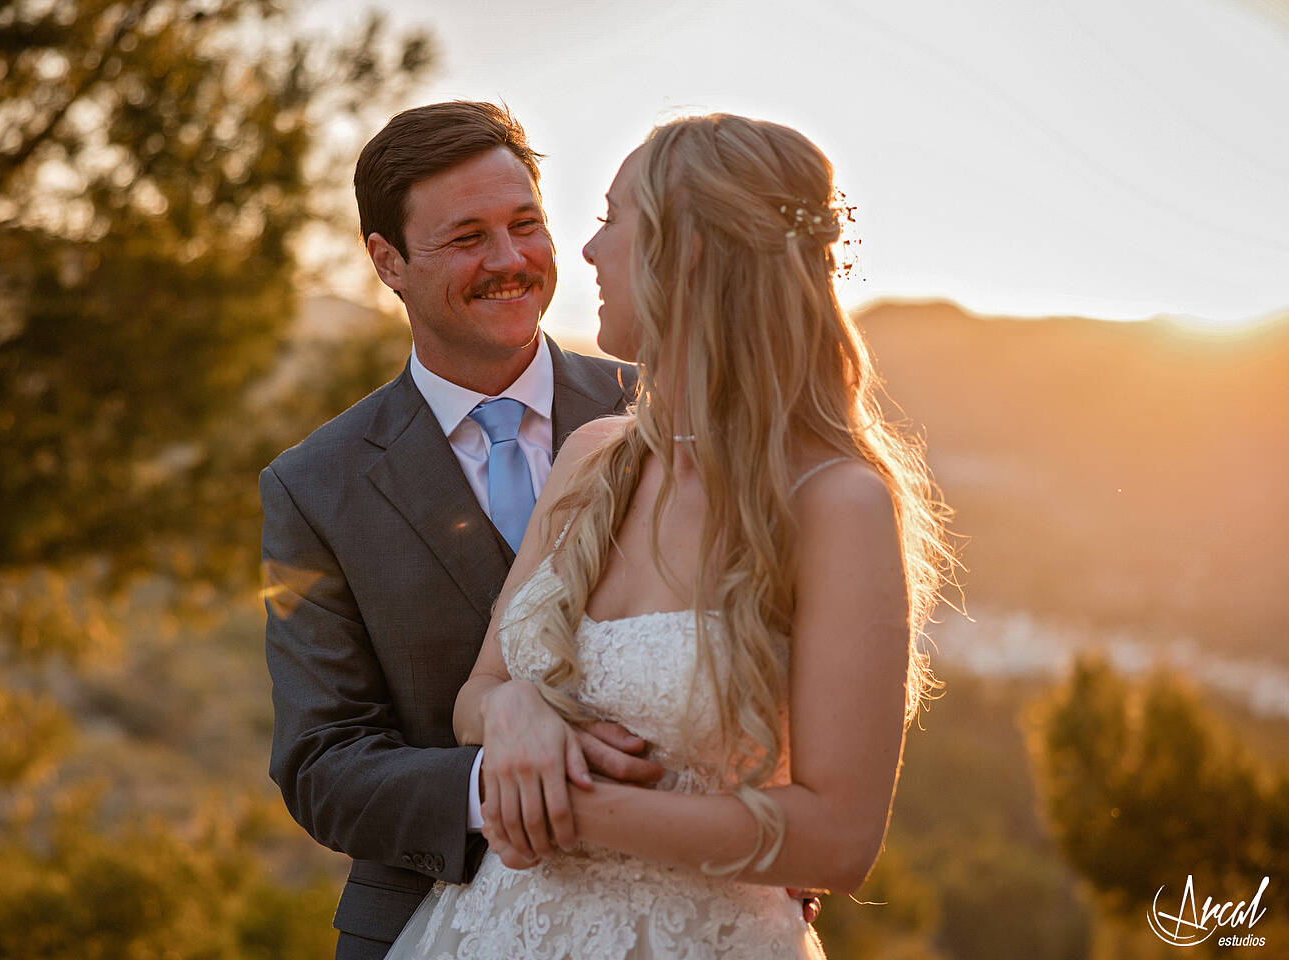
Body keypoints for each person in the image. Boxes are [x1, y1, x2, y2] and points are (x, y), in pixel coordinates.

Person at [383, 113, 955, 959]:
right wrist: (513, 715)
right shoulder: (590, 461)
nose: (587, 253)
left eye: (613, 220)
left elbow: (839, 840)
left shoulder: (836, 503)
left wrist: (557, 805)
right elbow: (481, 689)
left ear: (685, 251)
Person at [259, 101, 662, 960]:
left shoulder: (667, 412)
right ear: (387, 262)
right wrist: (494, 780)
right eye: (468, 238)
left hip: (672, 913)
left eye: (525, 225)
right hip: (425, 923)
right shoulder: (311, 488)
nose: (509, 261)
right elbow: (321, 762)